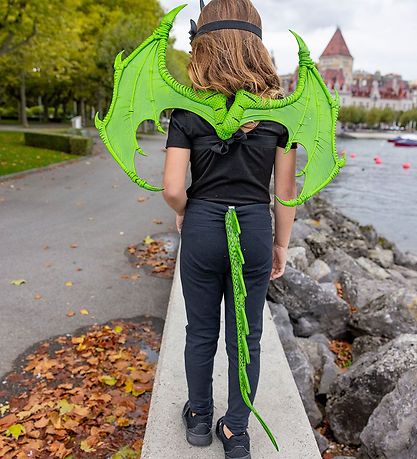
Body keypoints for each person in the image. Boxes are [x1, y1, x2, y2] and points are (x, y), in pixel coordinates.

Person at [162, 0, 297, 457]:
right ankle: (236, 432)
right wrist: (280, 243)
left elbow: (171, 187)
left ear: (204, 45)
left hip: (203, 225)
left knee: (200, 331)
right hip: (254, 228)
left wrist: (185, 211)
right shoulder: (282, 113)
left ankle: (199, 418)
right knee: (247, 336)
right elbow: (285, 192)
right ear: (256, 45)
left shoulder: (187, 110)